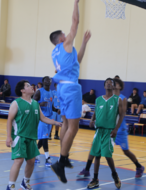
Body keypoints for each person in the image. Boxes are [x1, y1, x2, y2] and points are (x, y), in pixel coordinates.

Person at [49, 0, 91, 183]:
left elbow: (77, 61)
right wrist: (76, 3)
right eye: (66, 35)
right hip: (71, 89)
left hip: (62, 88)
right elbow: (75, 21)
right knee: (74, 127)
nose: (68, 35)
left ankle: (62, 158)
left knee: (66, 124)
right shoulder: (65, 44)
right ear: (61, 39)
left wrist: (84, 43)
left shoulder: (57, 52)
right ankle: (61, 161)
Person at [76, 78, 145, 182]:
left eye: (115, 83)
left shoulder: (122, 98)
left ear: (119, 86)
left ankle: (138, 166)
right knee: (95, 149)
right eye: (112, 83)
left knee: (125, 151)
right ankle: (87, 169)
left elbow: (122, 114)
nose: (113, 84)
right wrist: (94, 120)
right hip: (105, 129)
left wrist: (116, 128)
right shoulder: (104, 98)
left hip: (119, 130)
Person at [5, 80, 62, 190]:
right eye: (28, 86)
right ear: (22, 90)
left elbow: (43, 118)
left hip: (32, 138)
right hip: (19, 136)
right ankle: (10, 185)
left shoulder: (35, 104)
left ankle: (25, 182)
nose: (31, 86)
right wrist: (8, 136)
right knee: (19, 160)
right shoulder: (16, 103)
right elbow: (9, 120)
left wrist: (56, 122)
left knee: (31, 161)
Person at [82, 78, 124, 189]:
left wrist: (116, 129)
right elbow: (96, 112)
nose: (109, 84)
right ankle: (95, 179)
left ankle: (115, 176)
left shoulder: (117, 99)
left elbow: (121, 116)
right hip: (98, 130)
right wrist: (91, 120)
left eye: (111, 83)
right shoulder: (98, 99)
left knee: (107, 155)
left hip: (109, 131)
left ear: (113, 86)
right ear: (104, 86)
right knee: (97, 155)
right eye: (107, 83)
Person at [33, 76, 60, 167]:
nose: (48, 81)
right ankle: (47, 158)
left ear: (51, 82)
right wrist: (39, 104)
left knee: (43, 138)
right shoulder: (39, 91)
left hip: (49, 118)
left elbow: (52, 106)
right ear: (43, 82)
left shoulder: (51, 93)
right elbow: (32, 103)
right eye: (46, 80)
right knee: (44, 138)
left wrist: (56, 110)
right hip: (41, 118)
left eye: (49, 80)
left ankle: (34, 154)